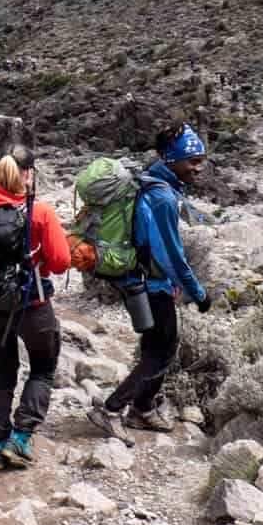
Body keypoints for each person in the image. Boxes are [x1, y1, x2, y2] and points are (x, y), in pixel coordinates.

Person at [86, 123, 211, 445]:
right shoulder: (162, 197)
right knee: (162, 351)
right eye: (192, 161)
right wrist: (198, 293)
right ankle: (112, 409)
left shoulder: (151, 181)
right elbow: (170, 254)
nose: (199, 167)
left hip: (139, 281)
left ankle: (141, 409)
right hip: (150, 285)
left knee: (156, 347)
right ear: (171, 160)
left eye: (200, 159)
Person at [0, 148, 69, 470]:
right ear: (28, 174)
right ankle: (20, 438)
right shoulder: (39, 212)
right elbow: (61, 261)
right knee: (42, 369)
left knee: (2, 372)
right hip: (33, 306)